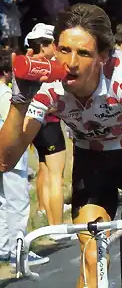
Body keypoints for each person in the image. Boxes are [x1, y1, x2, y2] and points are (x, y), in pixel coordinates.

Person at [0, 4, 122, 288]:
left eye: (84, 53)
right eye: (64, 50)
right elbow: (6, 160)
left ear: (103, 56)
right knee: (92, 254)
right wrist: (19, 103)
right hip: (93, 158)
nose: (70, 62)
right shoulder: (48, 85)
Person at [24, 23, 71, 241]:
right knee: (55, 176)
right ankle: (57, 228)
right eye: (55, 43)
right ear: (46, 45)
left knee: (43, 168)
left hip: (32, 122)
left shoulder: (30, 64)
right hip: (48, 122)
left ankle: (44, 213)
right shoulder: (51, 67)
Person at [0, 48, 47, 266]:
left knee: (2, 203)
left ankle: (4, 248)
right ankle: (18, 253)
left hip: (6, 156)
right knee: (17, 204)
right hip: (12, 158)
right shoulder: (5, 94)